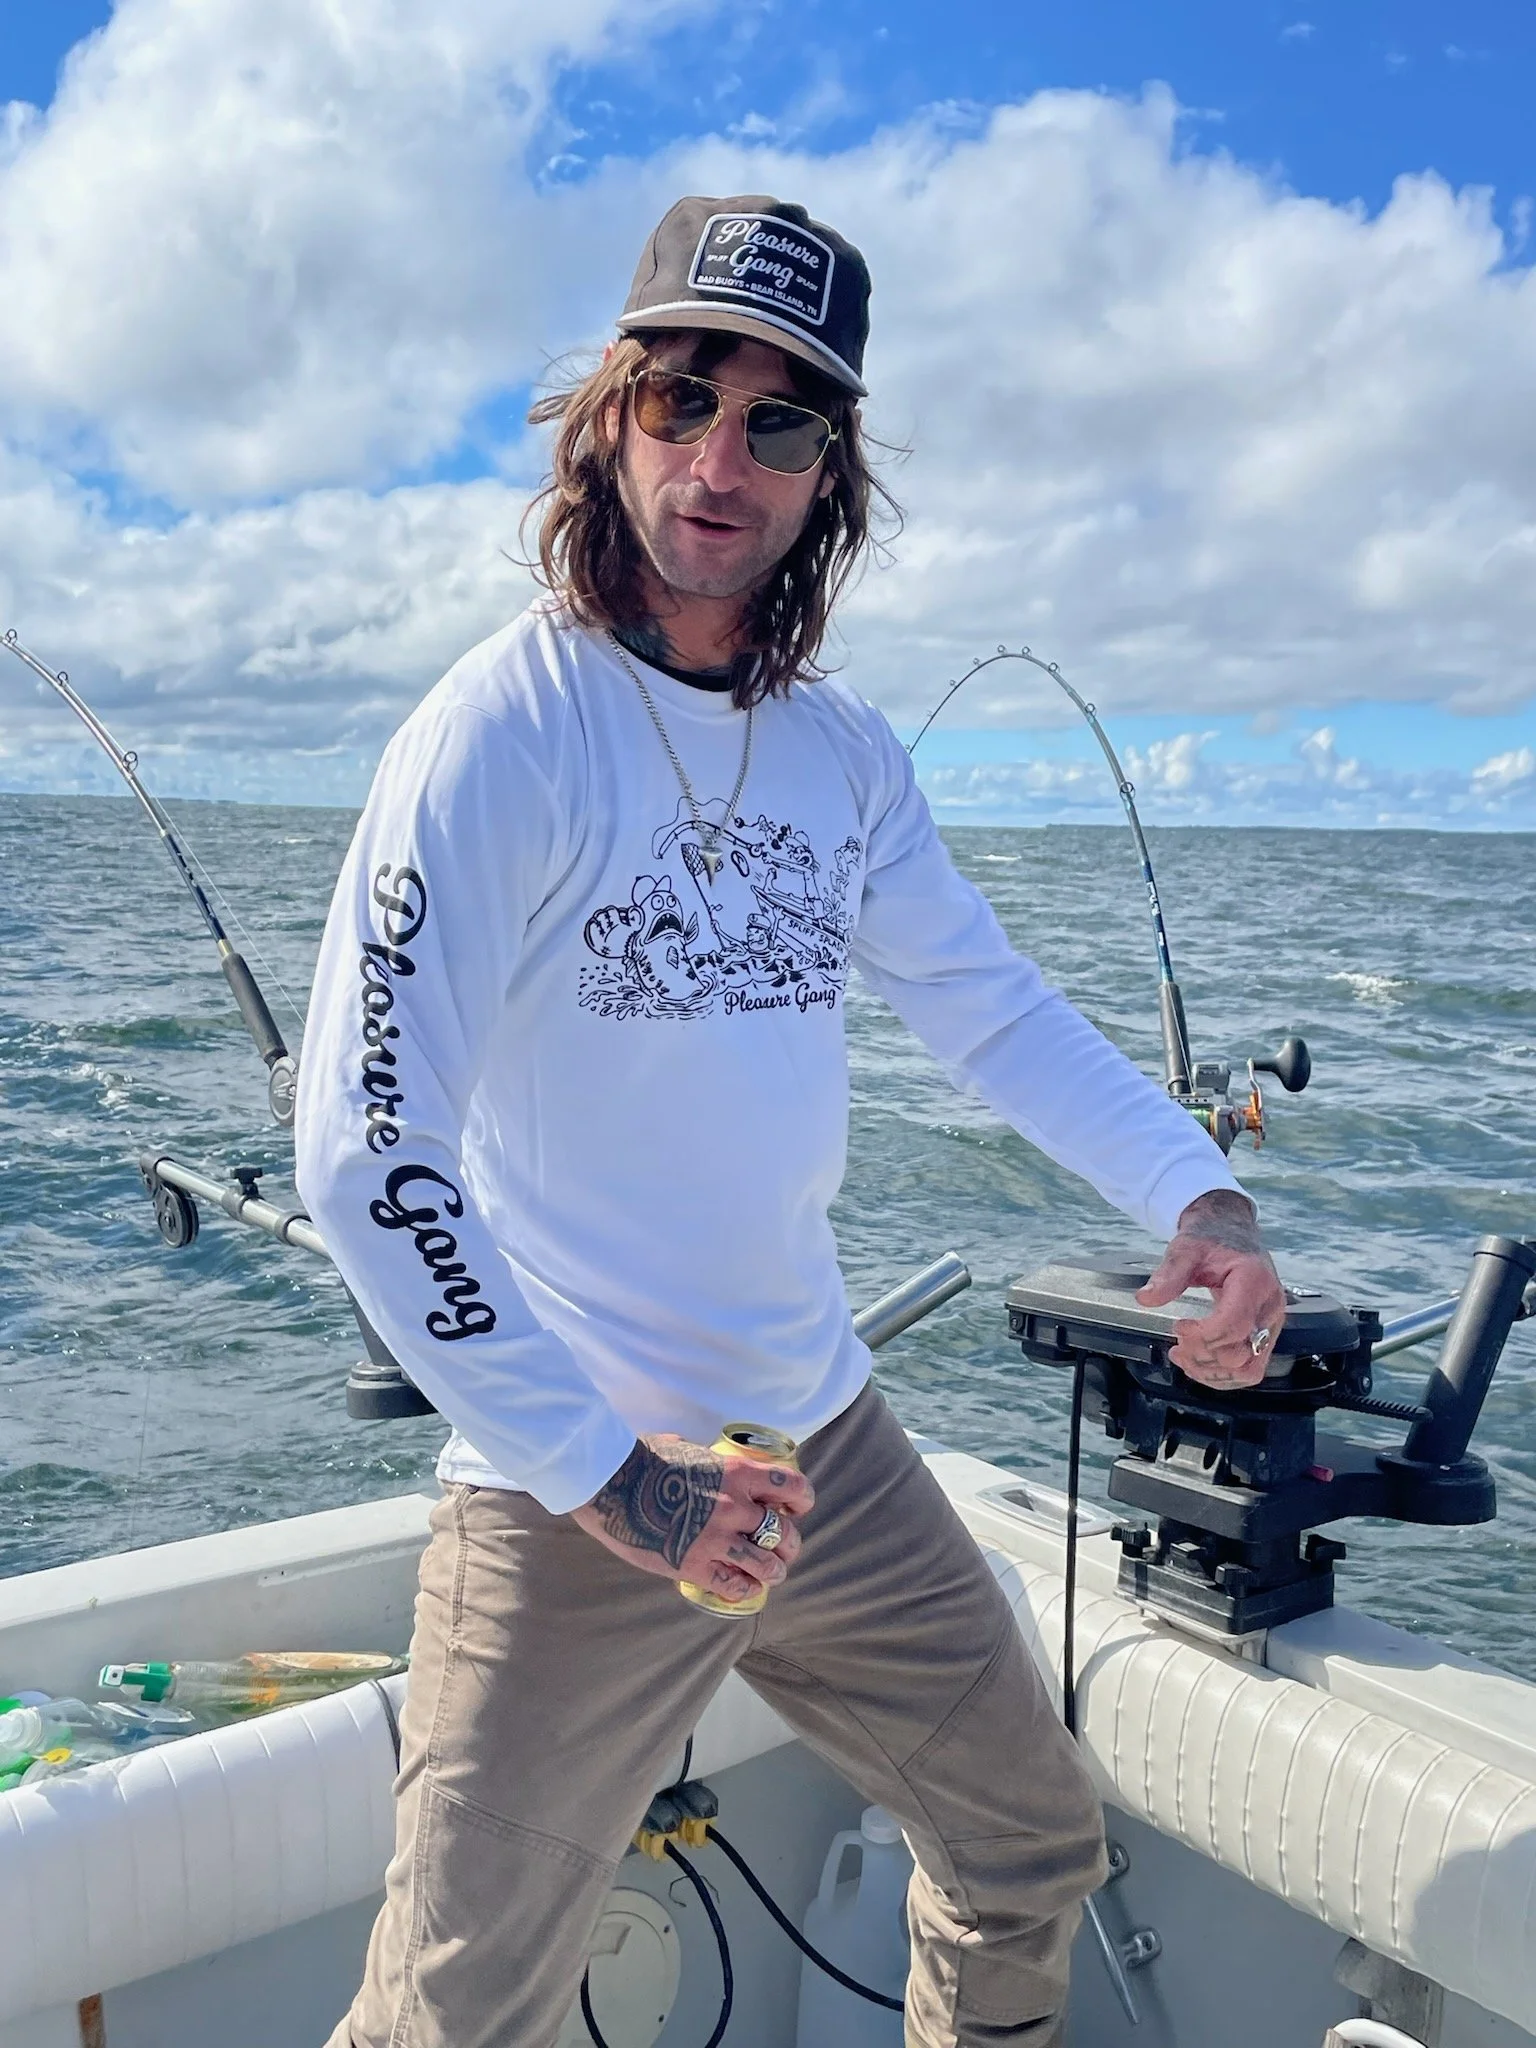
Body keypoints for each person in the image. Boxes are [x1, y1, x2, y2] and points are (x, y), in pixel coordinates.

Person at [296, 194, 1286, 2048]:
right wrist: (622, 1482)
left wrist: (1199, 1191)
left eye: (782, 420)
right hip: (572, 1487)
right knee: (449, 2016)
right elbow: (365, 1153)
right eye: (683, 396)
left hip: (817, 1443)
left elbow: (988, 1005)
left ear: (834, 474)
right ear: (610, 415)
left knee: (1025, 1843)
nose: (720, 457)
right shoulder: (498, 732)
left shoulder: (845, 756)